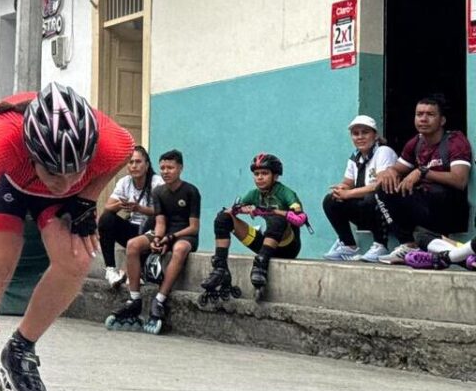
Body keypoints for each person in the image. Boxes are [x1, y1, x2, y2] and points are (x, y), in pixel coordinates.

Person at [0, 83, 133, 391]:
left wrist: (87, 196)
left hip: (52, 198)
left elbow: (124, 152)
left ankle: (21, 348)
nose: (66, 181)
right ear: (33, 153)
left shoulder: (112, 142)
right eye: (55, 172)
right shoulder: (0, 138)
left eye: (76, 171)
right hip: (5, 180)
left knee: (77, 259)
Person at [106, 150, 201, 334]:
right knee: (133, 244)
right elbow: (160, 221)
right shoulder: (159, 192)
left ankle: (159, 299)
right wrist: (157, 239)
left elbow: (194, 227)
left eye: (170, 167)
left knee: (180, 249)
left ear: (180, 168)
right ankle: (134, 299)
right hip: (165, 232)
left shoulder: (191, 191)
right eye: (163, 167)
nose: (166, 171)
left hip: (184, 234)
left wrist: (171, 238)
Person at [373, 96, 472, 264]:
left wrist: (423, 172)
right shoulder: (416, 142)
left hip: (452, 209)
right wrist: (388, 172)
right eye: (419, 114)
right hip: (426, 206)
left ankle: (437, 246)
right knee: (384, 189)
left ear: (442, 120)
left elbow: (460, 180)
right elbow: (397, 169)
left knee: (437, 191)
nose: (423, 119)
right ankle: (408, 245)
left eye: (430, 114)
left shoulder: (455, 141)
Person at [201, 153, 307, 304]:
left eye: (264, 173)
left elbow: (299, 218)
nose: (259, 177)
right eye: (256, 174)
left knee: (278, 219)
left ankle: (261, 265)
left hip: (287, 246)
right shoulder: (253, 194)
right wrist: (241, 209)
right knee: (223, 218)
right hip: (265, 244)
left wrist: (268, 210)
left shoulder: (286, 193)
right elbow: (231, 211)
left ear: (275, 176)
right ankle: (220, 267)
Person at [322, 115, 398, 262]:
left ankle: (380, 245)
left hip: (387, 212)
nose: (360, 137)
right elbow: (348, 183)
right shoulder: (356, 156)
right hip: (366, 210)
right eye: (355, 134)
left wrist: (349, 193)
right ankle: (348, 245)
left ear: (375, 135)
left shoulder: (383, 152)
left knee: (373, 197)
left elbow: (379, 186)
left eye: (365, 132)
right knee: (331, 200)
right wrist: (342, 189)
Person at [96, 146, 163, 288]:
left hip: (151, 232)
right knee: (106, 218)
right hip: (132, 231)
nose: (134, 166)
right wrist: (121, 204)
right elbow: (108, 207)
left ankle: (136, 272)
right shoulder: (124, 182)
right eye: (130, 162)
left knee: (154, 219)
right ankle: (110, 270)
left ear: (147, 165)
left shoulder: (157, 182)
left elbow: (164, 212)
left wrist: (140, 209)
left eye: (138, 162)